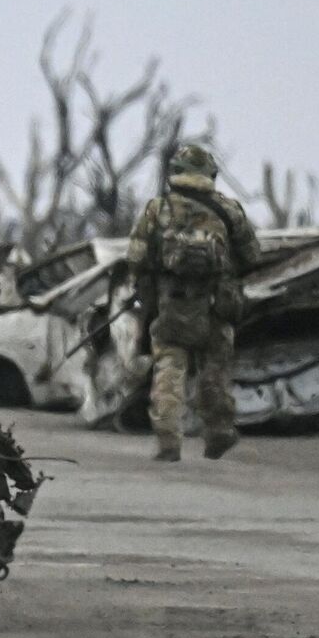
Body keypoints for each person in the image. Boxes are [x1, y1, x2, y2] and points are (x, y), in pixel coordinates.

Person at [126, 143, 259, 462]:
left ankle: (169, 441)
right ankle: (218, 432)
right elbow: (252, 255)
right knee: (214, 371)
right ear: (210, 174)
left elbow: (136, 256)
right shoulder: (230, 210)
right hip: (218, 305)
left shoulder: (157, 209)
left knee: (169, 370)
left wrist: (148, 289)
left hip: (172, 304)